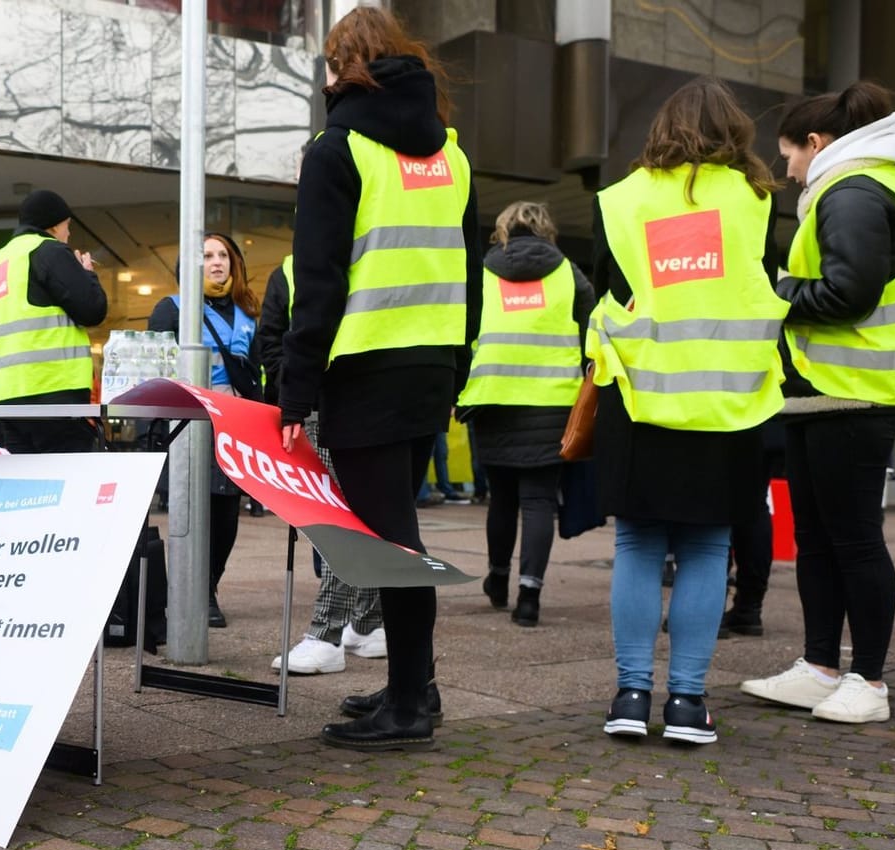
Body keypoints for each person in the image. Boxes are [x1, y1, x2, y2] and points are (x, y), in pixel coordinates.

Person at [275, 6, 480, 751]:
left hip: (365, 366)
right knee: (396, 529)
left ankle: (410, 704)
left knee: (389, 539)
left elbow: (319, 282)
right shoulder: (451, 154)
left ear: (340, 68)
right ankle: (410, 685)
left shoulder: (339, 150)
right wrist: (457, 365)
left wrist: (294, 392)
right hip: (428, 365)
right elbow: (469, 272)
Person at [589, 77, 788, 746]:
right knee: (708, 545)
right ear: (736, 133)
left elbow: (607, 296)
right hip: (729, 403)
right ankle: (685, 703)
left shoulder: (618, 202)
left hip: (641, 400)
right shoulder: (758, 201)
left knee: (638, 544)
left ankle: (630, 694)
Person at [741, 82, 895, 724]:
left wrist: (775, 293)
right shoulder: (854, 187)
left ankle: (868, 681)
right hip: (828, 397)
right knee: (822, 538)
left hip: (854, 396)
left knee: (850, 539)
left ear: (817, 144)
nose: (787, 170)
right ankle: (821, 667)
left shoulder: (850, 191)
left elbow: (849, 294)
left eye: (789, 154)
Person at [458, 200, 594, 627]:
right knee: (538, 500)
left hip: (494, 400)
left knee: (502, 498)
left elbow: (465, 330)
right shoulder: (569, 275)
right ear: (546, 230)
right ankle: (529, 596)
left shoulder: (483, 273)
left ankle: (497, 579)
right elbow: (592, 333)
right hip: (552, 402)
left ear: (503, 230)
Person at [259, 256, 392, 677]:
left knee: (356, 520)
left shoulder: (362, 258)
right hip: (324, 408)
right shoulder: (291, 270)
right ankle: (347, 629)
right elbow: (273, 341)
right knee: (345, 519)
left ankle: (343, 631)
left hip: (361, 403)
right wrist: (300, 394)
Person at [149, 232, 264, 627]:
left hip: (238, 426)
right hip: (192, 423)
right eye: (207, 256)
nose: (216, 262)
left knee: (227, 516)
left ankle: (209, 585)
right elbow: (155, 370)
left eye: (223, 256)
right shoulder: (173, 309)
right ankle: (198, 594)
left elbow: (256, 375)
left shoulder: (248, 315)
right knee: (194, 513)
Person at [0, 189, 108, 452]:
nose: (68, 234)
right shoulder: (50, 251)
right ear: (54, 224)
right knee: (66, 482)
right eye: (67, 226)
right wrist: (88, 275)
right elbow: (93, 310)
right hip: (56, 392)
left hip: (7, 397)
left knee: (25, 486)